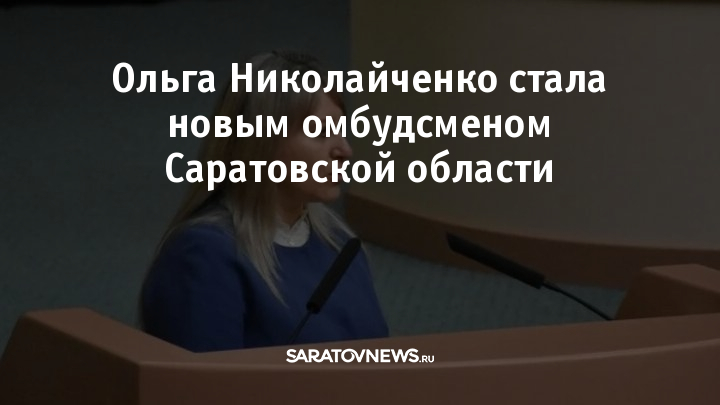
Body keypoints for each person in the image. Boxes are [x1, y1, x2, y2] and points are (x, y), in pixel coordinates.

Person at [139, 50, 389, 352]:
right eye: (320, 132)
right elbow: (205, 379)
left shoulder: (339, 243)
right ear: (260, 144)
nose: (345, 150)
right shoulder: (205, 256)